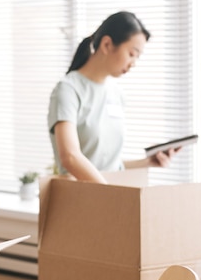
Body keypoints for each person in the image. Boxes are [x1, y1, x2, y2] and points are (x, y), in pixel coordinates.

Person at [47, 11, 179, 184]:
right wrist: (109, 194)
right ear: (107, 44)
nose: (133, 63)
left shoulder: (116, 93)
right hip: (81, 199)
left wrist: (148, 162)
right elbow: (70, 157)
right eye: (132, 53)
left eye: (138, 57)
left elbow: (107, 166)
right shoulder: (68, 90)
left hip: (110, 196)